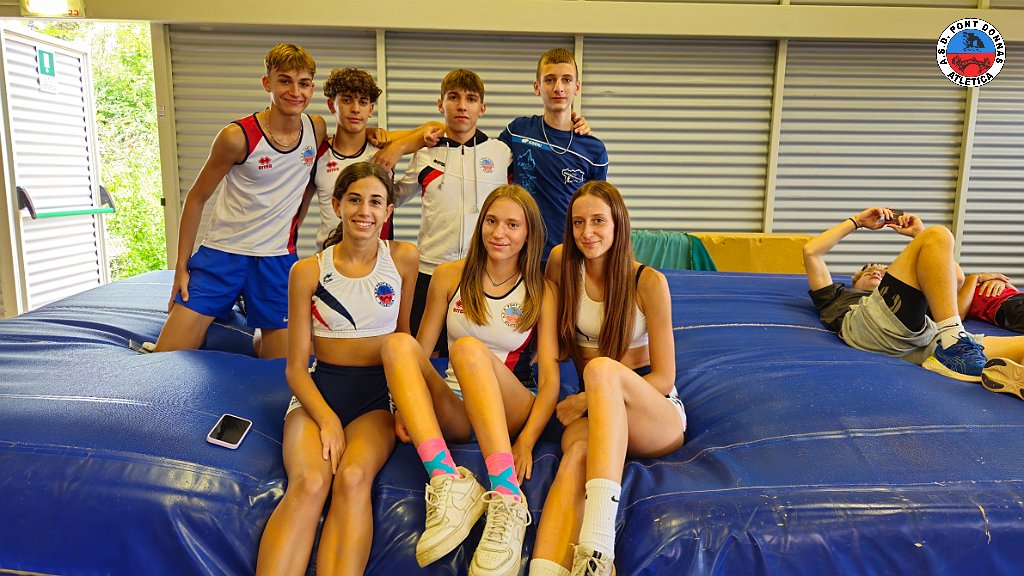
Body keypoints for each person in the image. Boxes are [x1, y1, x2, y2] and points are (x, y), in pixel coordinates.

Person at [381, 184, 560, 576]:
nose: (499, 233)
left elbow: (550, 381)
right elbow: (419, 354)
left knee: (466, 349)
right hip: (458, 407)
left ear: (528, 233)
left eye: (512, 225)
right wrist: (403, 407)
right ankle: (448, 481)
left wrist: (527, 440)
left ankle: (507, 496)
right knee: (396, 345)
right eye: (492, 221)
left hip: (510, 405)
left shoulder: (541, 290)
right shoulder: (450, 275)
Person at [255, 162, 419, 575]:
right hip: (319, 395)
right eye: (355, 200)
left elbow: (403, 340)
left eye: (376, 202)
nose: (365, 210)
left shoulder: (402, 259)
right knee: (310, 483)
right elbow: (295, 369)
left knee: (353, 479)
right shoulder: (308, 271)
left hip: (376, 400)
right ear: (336, 205)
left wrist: (406, 404)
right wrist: (327, 420)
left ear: (388, 212)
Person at [530, 181, 686, 576]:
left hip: (652, 410)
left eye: (599, 221)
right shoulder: (561, 263)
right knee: (575, 457)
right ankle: (544, 569)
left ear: (618, 224)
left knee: (600, 369)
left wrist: (586, 399)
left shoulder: (647, 282)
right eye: (578, 222)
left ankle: (599, 548)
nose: (588, 232)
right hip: (598, 414)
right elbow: (550, 341)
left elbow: (665, 376)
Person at [153, 43, 327, 358]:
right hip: (223, 254)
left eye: (303, 83)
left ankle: (256, 319)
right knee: (167, 355)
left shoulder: (315, 129)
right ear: (267, 83)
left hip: (276, 259)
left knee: (281, 366)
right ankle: (238, 306)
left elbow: (350, 142)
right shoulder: (236, 136)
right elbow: (196, 198)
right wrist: (181, 267)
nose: (294, 91)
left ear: (312, 88)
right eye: (284, 81)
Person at [803, 207, 1024, 387]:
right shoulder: (838, 295)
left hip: (924, 342)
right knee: (939, 234)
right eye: (869, 271)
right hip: (870, 328)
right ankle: (955, 342)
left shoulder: (923, 302)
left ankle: (1000, 374)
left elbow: (955, 278)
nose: (877, 272)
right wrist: (857, 221)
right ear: (855, 281)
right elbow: (811, 251)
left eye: (884, 271)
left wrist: (919, 234)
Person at [393, 69, 515, 353]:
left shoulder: (501, 153)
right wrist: (395, 152)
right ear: (441, 104)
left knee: (474, 351)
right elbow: (394, 198)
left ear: (482, 108)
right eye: (453, 97)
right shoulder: (424, 153)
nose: (462, 106)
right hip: (430, 270)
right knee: (425, 352)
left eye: (471, 99)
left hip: (481, 272)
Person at [500, 48, 609, 262]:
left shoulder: (593, 150)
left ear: (577, 87)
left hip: (570, 256)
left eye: (566, 80)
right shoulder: (518, 131)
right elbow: (482, 155)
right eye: (549, 80)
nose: (558, 88)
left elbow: (598, 212)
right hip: (522, 255)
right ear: (537, 87)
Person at [959, 273, 1024, 334]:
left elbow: (1015, 292)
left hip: (1016, 299)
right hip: (1005, 307)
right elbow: (958, 315)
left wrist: (1000, 281)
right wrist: (975, 277)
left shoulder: (976, 282)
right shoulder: (961, 292)